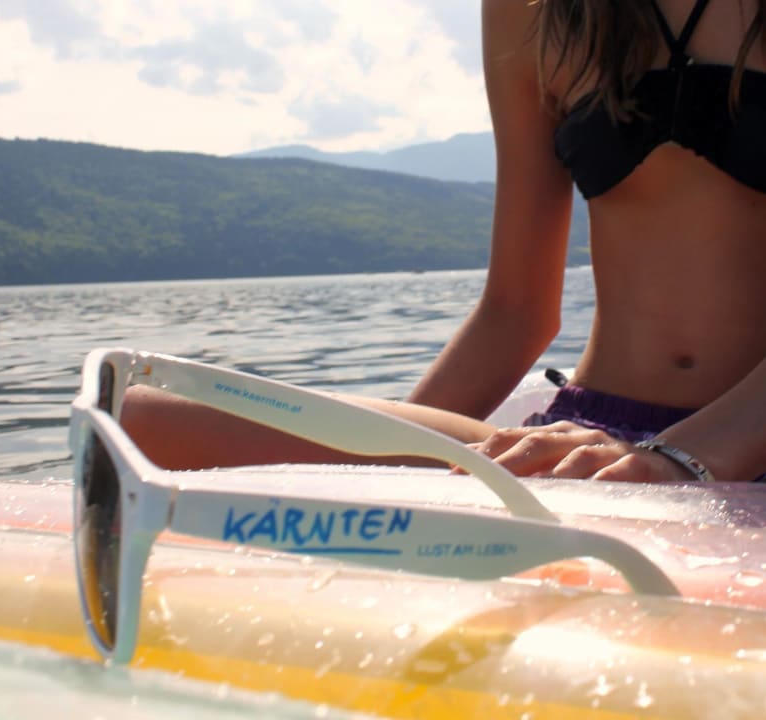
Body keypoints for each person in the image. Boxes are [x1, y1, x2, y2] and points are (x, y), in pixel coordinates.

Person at [121, 0, 766, 483]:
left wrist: (683, 459)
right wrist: (375, 472)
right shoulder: (539, 11)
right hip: (586, 440)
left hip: (739, 441)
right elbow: (515, 312)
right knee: (144, 417)